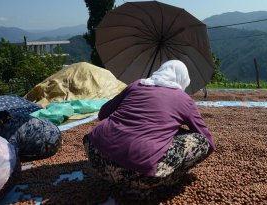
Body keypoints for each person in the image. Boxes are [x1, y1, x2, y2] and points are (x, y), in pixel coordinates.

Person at [83, 60, 215, 197]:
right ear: (182, 80)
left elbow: (103, 113)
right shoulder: (184, 99)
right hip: (138, 175)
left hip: (94, 153)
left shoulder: (137, 84)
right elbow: (209, 142)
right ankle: (163, 182)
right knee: (200, 141)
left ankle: (116, 175)